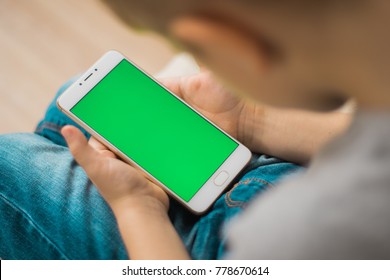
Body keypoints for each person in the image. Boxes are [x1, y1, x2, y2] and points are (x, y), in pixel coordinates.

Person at [0, 0, 356, 259]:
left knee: (13, 159)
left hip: (216, 249)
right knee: (74, 103)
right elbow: (377, 147)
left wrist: (135, 205)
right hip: (289, 174)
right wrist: (249, 120)